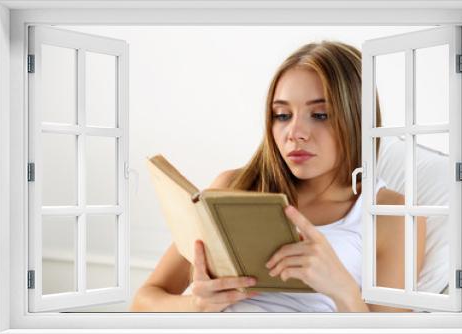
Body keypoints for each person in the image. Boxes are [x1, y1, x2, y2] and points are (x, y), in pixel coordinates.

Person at [130, 40, 426, 312]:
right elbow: (143, 301)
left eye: (320, 115)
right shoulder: (233, 189)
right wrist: (196, 305)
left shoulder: (392, 215)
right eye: (282, 115)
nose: (294, 134)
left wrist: (343, 289)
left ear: (357, 119)